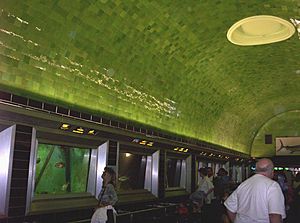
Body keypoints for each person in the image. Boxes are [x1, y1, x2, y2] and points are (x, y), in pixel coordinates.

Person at [224, 158, 286, 223]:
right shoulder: (272, 186)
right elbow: (275, 215)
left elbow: (229, 207)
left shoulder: (244, 184)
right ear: (272, 171)